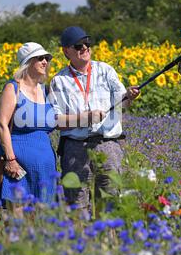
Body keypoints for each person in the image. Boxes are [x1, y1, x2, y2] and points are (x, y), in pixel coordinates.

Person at [49, 26, 140, 217]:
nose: (85, 48)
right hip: (75, 147)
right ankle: (81, 243)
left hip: (107, 145)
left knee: (109, 201)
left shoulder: (106, 70)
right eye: (79, 45)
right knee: (76, 203)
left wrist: (129, 96)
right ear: (66, 51)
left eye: (88, 44)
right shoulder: (59, 81)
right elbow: (56, 121)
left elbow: (123, 105)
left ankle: (109, 243)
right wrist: (86, 118)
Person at [0, 42, 57, 216]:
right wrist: (11, 159)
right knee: (18, 222)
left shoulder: (45, 91)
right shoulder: (13, 88)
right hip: (19, 167)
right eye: (40, 58)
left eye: (47, 58)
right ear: (28, 62)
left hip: (44, 168)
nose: (45, 61)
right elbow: (2, 124)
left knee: (42, 222)